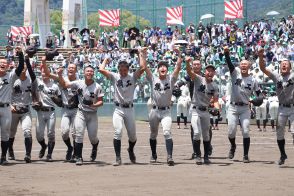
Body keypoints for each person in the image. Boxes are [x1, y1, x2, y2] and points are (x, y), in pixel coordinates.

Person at [98, 49, 145, 166]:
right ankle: (118, 158)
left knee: (133, 137)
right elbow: (101, 69)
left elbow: (143, 68)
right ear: (118, 69)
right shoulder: (114, 76)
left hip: (129, 109)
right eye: (121, 70)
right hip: (118, 109)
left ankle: (130, 149)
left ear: (128, 70)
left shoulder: (132, 77)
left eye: (125, 70)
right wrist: (105, 60)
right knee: (118, 131)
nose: (123, 72)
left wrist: (140, 54)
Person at [51, 65, 104, 166]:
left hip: (92, 114)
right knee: (78, 134)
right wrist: (59, 75)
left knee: (93, 137)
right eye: (87, 71)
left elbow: (101, 102)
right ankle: (79, 157)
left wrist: (93, 104)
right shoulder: (78, 83)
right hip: (81, 112)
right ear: (84, 73)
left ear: (93, 73)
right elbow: (65, 85)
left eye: (91, 71)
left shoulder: (97, 86)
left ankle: (95, 146)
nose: (89, 73)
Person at [224, 46, 263, 163]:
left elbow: (259, 95)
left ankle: (245, 155)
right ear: (239, 66)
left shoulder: (253, 80)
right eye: (242, 64)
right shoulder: (234, 74)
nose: (243, 66)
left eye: (246, 64)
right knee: (231, 131)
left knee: (245, 130)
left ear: (249, 66)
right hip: (233, 107)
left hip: (245, 108)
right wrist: (226, 53)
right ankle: (233, 146)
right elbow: (230, 63)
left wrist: (258, 100)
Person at [145, 49, 182, 166]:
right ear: (157, 69)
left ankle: (169, 157)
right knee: (153, 134)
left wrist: (179, 54)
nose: (163, 68)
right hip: (154, 111)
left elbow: (178, 68)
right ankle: (154, 154)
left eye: (165, 66)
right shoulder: (153, 79)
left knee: (167, 132)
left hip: (166, 111)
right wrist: (142, 54)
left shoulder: (171, 79)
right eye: (160, 66)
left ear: (167, 69)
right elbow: (144, 67)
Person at [258, 48, 294, 165]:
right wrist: (260, 56)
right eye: (282, 64)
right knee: (279, 132)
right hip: (282, 108)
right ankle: (283, 154)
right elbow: (263, 68)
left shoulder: (293, 76)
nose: (284, 65)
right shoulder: (276, 76)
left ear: (290, 67)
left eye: (286, 64)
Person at [186, 57, 220, 165]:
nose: (210, 72)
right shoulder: (198, 79)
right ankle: (198, 155)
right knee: (196, 133)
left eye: (212, 71)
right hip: (195, 109)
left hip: (205, 111)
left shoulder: (214, 86)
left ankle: (206, 156)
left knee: (206, 135)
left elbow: (215, 101)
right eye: (208, 70)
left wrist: (217, 109)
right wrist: (187, 63)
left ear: (214, 73)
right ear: (204, 72)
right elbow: (189, 72)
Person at [43, 63, 79, 162]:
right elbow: (47, 74)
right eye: (70, 67)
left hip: (76, 110)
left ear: (76, 70)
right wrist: (44, 61)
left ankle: (75, 154)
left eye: (73, 68)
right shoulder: (62, 78)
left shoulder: (80, 81)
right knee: (64, 133)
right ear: (67, 69)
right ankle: (70, 147)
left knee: (75, 133)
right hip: (65, 109)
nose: (71, 69)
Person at [33, 57, 62, 162]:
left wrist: (57, 99)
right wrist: (34, 101)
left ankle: (49, 154)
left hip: (51, 112)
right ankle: (43, 146)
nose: (44, 73)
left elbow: (60, 100)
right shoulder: (37, 82)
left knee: (51, 133)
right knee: (39, 135)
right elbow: (32, 93)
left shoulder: (55, 86)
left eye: (46, 72)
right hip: (40, 111)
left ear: (49, 73)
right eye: (42, 72)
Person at [8, 55, 35, 163]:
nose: (23, 68)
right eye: (21, 67)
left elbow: (35, 93)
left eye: (25, 67)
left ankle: (28, 154)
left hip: (25, 110)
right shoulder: (13, 79)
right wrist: (9, 105)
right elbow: (6, 94)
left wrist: (36, 100)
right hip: (13, 110)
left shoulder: (30, 79)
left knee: (27, 131)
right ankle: (10, 151)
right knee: (11, 133)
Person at [0, 47, 24, 165]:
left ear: (8, 65)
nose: (3, 64)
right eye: (1, 63)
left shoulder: (10, 76)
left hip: (5, 108)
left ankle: (3, 157)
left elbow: (20, 68)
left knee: (5, 132)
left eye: (5, 63)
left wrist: (20, 54)